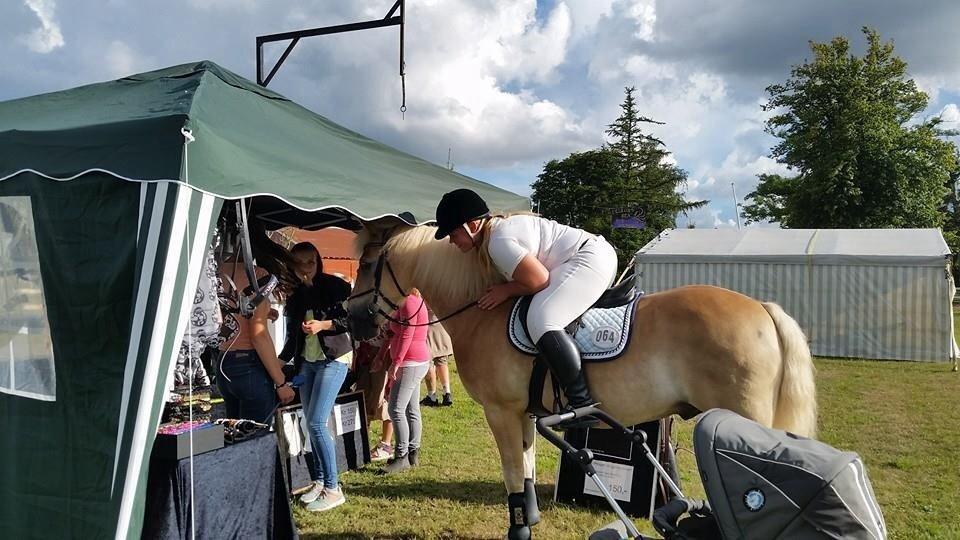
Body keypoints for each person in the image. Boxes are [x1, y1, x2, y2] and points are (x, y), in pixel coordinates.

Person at [433, 188, 618, 428]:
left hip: (588, 259)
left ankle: (582, 403)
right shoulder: (495, 235)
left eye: (454, 232)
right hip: (586, 256)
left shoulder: (498, 243)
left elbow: (539, 280)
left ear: (473, 225)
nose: (451, 240)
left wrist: (506, 291)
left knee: (541, 320)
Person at [280, 242, 353, 512]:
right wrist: (278, 364)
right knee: (312, 424)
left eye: (310, 262)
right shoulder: (296, 296)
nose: (305, 269)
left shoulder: (336, 287)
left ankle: (334, 489)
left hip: (333, 360)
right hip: (308, 364)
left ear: (318, 261)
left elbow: (353, 320)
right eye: (299, 264)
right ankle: (321, 481)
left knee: (318, 423)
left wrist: (324, 325)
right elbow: (292, 338)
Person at [217, 256, 295, 424]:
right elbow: (258, 336)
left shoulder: (217, 269)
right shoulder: (257, 275)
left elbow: (233, 312)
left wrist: (265, 312)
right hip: (249, 365)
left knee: (233, 436)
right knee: (255, 440)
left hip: (224, 362)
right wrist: (281, 384)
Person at [381, 288, 432, 474]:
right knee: (411, 409)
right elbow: (396, 332)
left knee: (396, 408)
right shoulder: (411, 300)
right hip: (414, 360)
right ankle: (412, 454)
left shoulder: (409, 301)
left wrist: (396, 362)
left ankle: (401, 455)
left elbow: (407, 334)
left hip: (410, 361)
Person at [353, 329, 395, 461]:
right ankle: (363, 444)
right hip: (364, 351)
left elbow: (391, 333)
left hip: (385, 352)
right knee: (362, 397)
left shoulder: (390, 310)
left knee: (383, 396)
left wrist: (381, 356)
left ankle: (386, 445)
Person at [421, 308, 454, 407]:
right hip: (441, 325)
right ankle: (447, 392)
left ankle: (432, 396)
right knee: (442, 361)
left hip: (427, 326)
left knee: (428, 362)